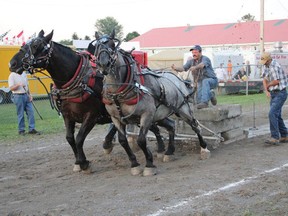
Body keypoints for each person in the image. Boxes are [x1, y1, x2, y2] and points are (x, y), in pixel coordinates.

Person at [171, 45, 218, 109]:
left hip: (212, 80)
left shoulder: (205, 59)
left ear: (200, 52)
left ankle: (205, 103)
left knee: (205, 81)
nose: (194, 54)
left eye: (195, 52)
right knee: (198, 102)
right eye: (193, 53)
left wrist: (195, 67)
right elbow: (183, 68)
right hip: (200, 82)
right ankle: (211, 95)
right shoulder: (191, 61)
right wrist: (175, 68)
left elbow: (202, 65)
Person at [260, 52, 288, 145]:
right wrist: (266, 90)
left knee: (272, 113)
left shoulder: (275, 66)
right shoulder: (266, 66)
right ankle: (284, 135)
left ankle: (275, 137)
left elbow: (276, 81)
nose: (263, 63)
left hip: (280, 92)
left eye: (264, 61)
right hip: (273, 93)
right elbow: (264, 78)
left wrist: (268, 85)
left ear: (268, 60)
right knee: (277, 115)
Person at [8, 70, 40, 135]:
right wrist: (18, 85)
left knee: (31, 112)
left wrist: (30, 94)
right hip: (18, 96)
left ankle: (32, 129)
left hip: (26, 95)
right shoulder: (12, 75)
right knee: (21, 114)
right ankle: (21, 130)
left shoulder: (24, 74)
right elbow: (11, 88)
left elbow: (27, 85)